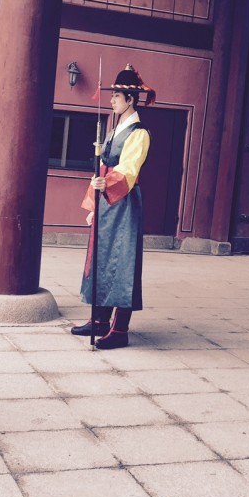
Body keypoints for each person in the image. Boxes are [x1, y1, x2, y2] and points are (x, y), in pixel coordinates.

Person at [71, 64, 155, 350]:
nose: (111, 100)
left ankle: (120, 329)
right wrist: (95, 199)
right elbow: (104, 166)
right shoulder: (115, 127)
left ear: (130, 99)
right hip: (106, 198)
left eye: (116, 96)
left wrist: (106, 185)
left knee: (122, 260)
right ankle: (99, 320)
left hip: (124, 201)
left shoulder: (139, 133)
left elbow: (130, 170)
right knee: (103, 258)